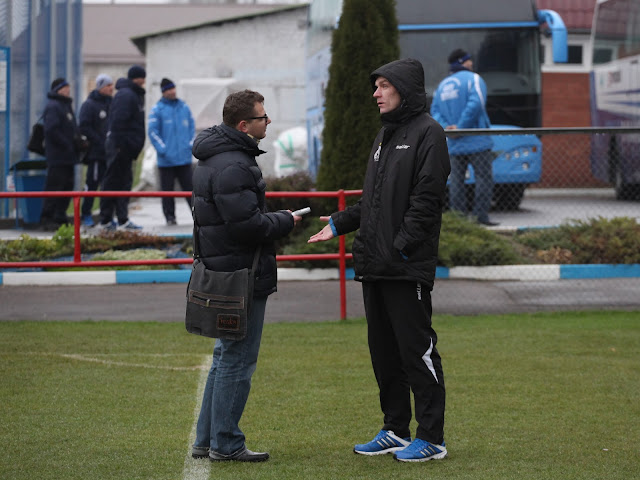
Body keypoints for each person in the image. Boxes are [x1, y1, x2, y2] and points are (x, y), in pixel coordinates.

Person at [308, 58, 451, 462]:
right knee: (384, 354)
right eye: (376, 86)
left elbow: (426, 203)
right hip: (375, 267)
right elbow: (373, 202)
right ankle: (395, 429)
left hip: (405, 267)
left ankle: (432, 438)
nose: (376, 93)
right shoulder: (385, 135)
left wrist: (401, 246)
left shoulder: (430, 134)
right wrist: (339, 222)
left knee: (416, 351)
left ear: (404, 89)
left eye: (384, 86)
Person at [190, 89, 302, 463]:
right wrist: (285, 220)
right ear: (243, 124)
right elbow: (246, 226)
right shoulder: (234, 164)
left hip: (226, 270)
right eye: (262, 117)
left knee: (225, 356)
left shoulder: (216, 156)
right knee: (237, 359)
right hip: (241, 273)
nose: (267, 121)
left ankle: (207, 440)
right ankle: (226, 442)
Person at [431, 48, 497, 226]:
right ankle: (480, 217)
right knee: (484, 178)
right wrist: (461, 127)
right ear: (462, 62)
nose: (471, 63)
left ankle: (459, 220)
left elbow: (435, 111)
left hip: (453, 143)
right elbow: (476, 103)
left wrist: (449, 129)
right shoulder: (474, 79)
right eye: (468, 61)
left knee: (456, 183)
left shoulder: (442, 86)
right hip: (477, 141)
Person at [98, 65, 146, 231]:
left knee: (124, 184)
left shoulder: (132, 95)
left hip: (126, 149)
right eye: (142, 77)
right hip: (121, 148)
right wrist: (120, 145)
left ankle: (122, 219)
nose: (145, 81)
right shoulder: (127, 95)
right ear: (137, 78)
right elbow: (119, 121)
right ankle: (105, 220)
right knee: (112, 183)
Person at [148, 78, 195, 225]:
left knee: (190, 190)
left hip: (184, 158)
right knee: (167, 192)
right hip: (166, 160)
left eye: (173, 88)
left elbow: (191, 129)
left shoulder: (184, 108)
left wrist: (189, 146)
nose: (173, 91)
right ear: (164, 92)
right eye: (169, 89)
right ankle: (170, 217)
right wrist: (164, 150)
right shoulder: (157, 110)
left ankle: (198, 216)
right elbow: (152, 132)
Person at [40, 78, 81, 230]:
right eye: (65, 87)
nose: (68, 90)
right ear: (58, 89)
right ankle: (47, 218)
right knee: (54, 187)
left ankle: (60, 215)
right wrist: (67, 144)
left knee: (67, 186)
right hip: (58, 156)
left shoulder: (66, 106)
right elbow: (51, 130)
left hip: (68, 156)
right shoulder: (54, 106)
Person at [78, 74, 113, 227]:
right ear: (100, 87)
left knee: (108, 186)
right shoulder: (90, 105)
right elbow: (84, 126)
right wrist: (100, 141)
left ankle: (107, 216)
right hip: (96, 154)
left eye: (112, 85)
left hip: (110, 154)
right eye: (108, 85)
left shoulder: (112, 104)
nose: (111, 88)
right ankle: (86, 213)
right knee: (92, 184)